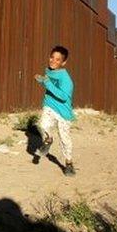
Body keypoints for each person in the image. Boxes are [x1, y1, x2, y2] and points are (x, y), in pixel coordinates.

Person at [33, 45, 76, 176]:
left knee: (65, 139)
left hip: (63, 112)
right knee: (42, 125)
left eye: (58, 60)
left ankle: (68, 164)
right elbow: (49, 84)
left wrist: (48, 84)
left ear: (63, 63)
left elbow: (63, 96)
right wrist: (41, 80)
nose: (53, 61)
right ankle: (48, 140)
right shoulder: (50, 71)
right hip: (50, 105)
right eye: (52, 57)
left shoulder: (66, 78)